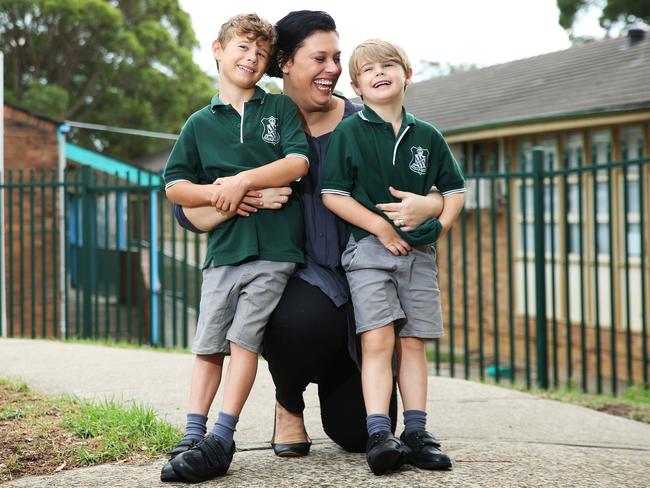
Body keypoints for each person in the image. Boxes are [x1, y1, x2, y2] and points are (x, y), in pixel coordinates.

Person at [173, 11, 444, 457]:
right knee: (294, 317)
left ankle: (352, 377)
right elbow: (192, 208)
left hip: (366, 283)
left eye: (337, 58)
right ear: (284, 63)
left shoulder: (365, 121)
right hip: (299, 281)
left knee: (359, 436)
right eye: (320, 58)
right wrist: (241, 197)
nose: (334, 69)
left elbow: (430, 186)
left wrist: (431, 205)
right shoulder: (257, 126)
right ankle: (288, 402)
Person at [159, 13, 310, 483]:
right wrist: (224, 195)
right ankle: (192, 432)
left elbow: (298, 161)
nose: (251, 57)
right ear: (219, 49)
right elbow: (175, 185)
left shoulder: (279, 108)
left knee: (243, 339)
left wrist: (245, 178)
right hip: (223, 251)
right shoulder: (200, 123)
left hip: (275, 251)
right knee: (208, 345)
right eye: (242, 47)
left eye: (260, 53)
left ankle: (223, 435)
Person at [321, 39, 466, 475]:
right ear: (357, 86)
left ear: (408, 74)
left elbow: (455, 191)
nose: (380, 73)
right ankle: (379, 432)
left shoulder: (427, 135)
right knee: (377, 341)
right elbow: (333, 195)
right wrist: (381, 228)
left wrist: (437, 224)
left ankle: (417, 432)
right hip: (368, 252)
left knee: (413, 342)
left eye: (389, 65)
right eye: (368, 70)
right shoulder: (349, 131)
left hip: (419, 254)